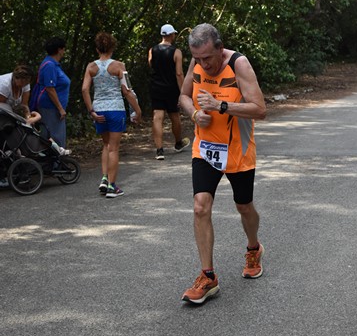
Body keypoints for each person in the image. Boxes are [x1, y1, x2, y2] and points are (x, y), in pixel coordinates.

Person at [179, 23, 267, 304]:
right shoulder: (196, 62)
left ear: (220, 47)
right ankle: (208, 276)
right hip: (205, 148)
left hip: (238, 150)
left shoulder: (238, 64)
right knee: (200, 206)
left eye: (208, 57)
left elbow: (260, 110)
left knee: (243, 206)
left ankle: (253, 248)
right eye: (198, 58)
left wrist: (221, 106)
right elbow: (182, 96)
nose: (203, 64)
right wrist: (194, 114)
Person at [82, 31, 142, 198]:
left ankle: (104, 177)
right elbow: (127, 90)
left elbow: (85, 89)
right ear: (112, 47)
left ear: (97, 48)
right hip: (116, 109)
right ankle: (112, 186)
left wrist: (91, 110)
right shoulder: (119, 66)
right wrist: (137, 110)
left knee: (106, 145)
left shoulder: (91, 67)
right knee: (114, 149)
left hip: (99, 109)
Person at [148, 23, 190, 160]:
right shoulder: (176, 52)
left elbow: (151, 65)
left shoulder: (152, 50)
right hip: (171, 88)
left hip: (156, 87)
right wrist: (183, 92)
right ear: (171, 35)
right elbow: (179, 73)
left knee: (157, 118)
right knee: (174, 116)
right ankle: (178, 142)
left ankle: (159, 150)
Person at [36, 37, 71, 148]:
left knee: (57, 137)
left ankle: (57, 163)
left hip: (54, 108)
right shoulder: (49, 65)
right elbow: (50, 88)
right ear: (59, 50)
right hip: (50, 108)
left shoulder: (54, 65)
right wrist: (60, 108)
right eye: (63, 49)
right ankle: (52, 164)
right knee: (54, 138)